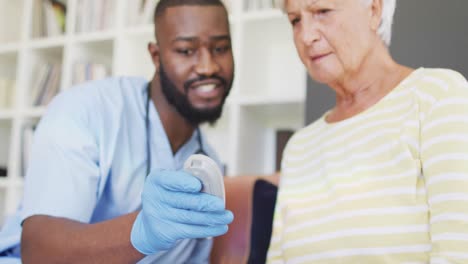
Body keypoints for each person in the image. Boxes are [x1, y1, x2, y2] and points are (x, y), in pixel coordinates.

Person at [0, 0, 235, 263]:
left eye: (220, 48)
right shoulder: (86, 111)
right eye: (185, 50)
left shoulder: (205, 158)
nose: (208, 67)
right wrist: (140, 230)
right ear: (156, 56)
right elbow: (39, 250)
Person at [268, 0, 468, 263]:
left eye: (322, 12)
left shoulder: (437, 97)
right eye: (295, 20)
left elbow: (457, 252)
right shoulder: (298, 147)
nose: (306, 36)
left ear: (374, 10)